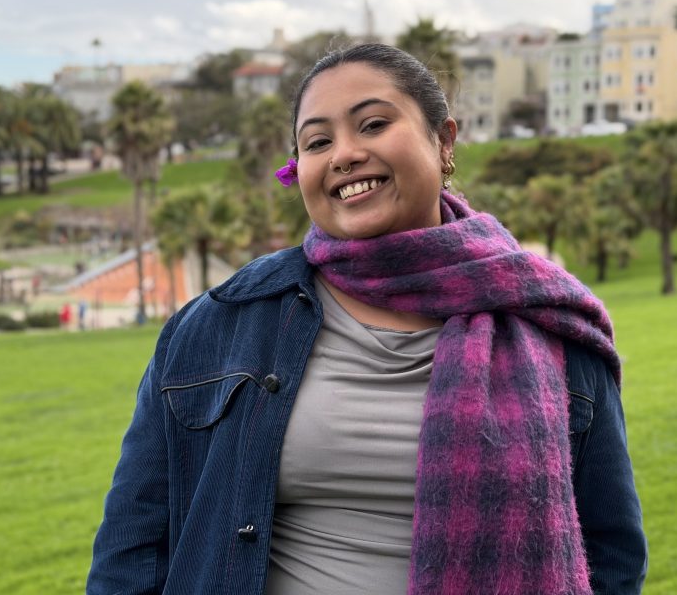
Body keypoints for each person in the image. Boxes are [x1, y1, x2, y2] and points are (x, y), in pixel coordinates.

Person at [88, 43, 647, 595]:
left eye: (373, 124)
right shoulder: (219, 326)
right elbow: (131, 551)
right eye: (318, 142)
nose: (344, 154)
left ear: (444, 140)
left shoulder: (547, 323)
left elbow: (612, 554)